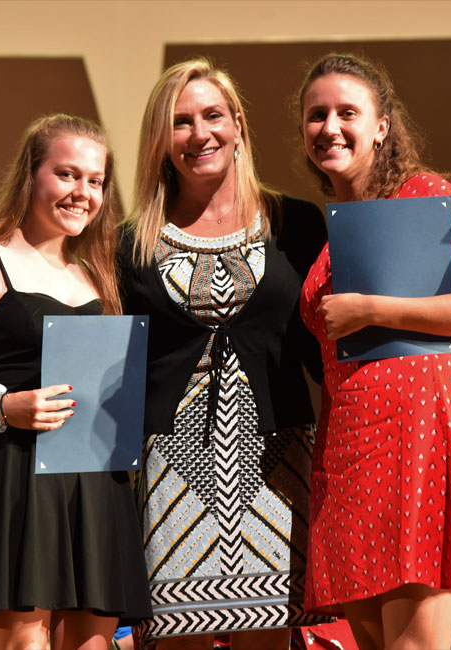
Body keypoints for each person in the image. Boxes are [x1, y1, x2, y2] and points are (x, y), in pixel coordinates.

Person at [0, 114, 151, 650]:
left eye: (95, 180)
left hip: (95, 482)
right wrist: (1, 406)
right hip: (15, 476)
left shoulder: (101, 274)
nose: (82, 192)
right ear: (31, 175)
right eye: (66, 174)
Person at [295, 53, 451, 650]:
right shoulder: (329, 228)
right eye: (316, 115)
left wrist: (371, 309)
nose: (329, 127)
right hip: (350, 446)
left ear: (382, 125)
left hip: (416, 436)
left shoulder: (423, 193)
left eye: (346, 112)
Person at [119, 58, 330, 650]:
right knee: (179, 638)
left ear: (238, 124)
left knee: (269, 636)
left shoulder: (297, 223)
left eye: (213, 115)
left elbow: (328, 343)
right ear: (161, 140)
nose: (199, 133)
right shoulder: (130, 244)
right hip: (172, 468)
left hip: (278, 460)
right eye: (180, 122)